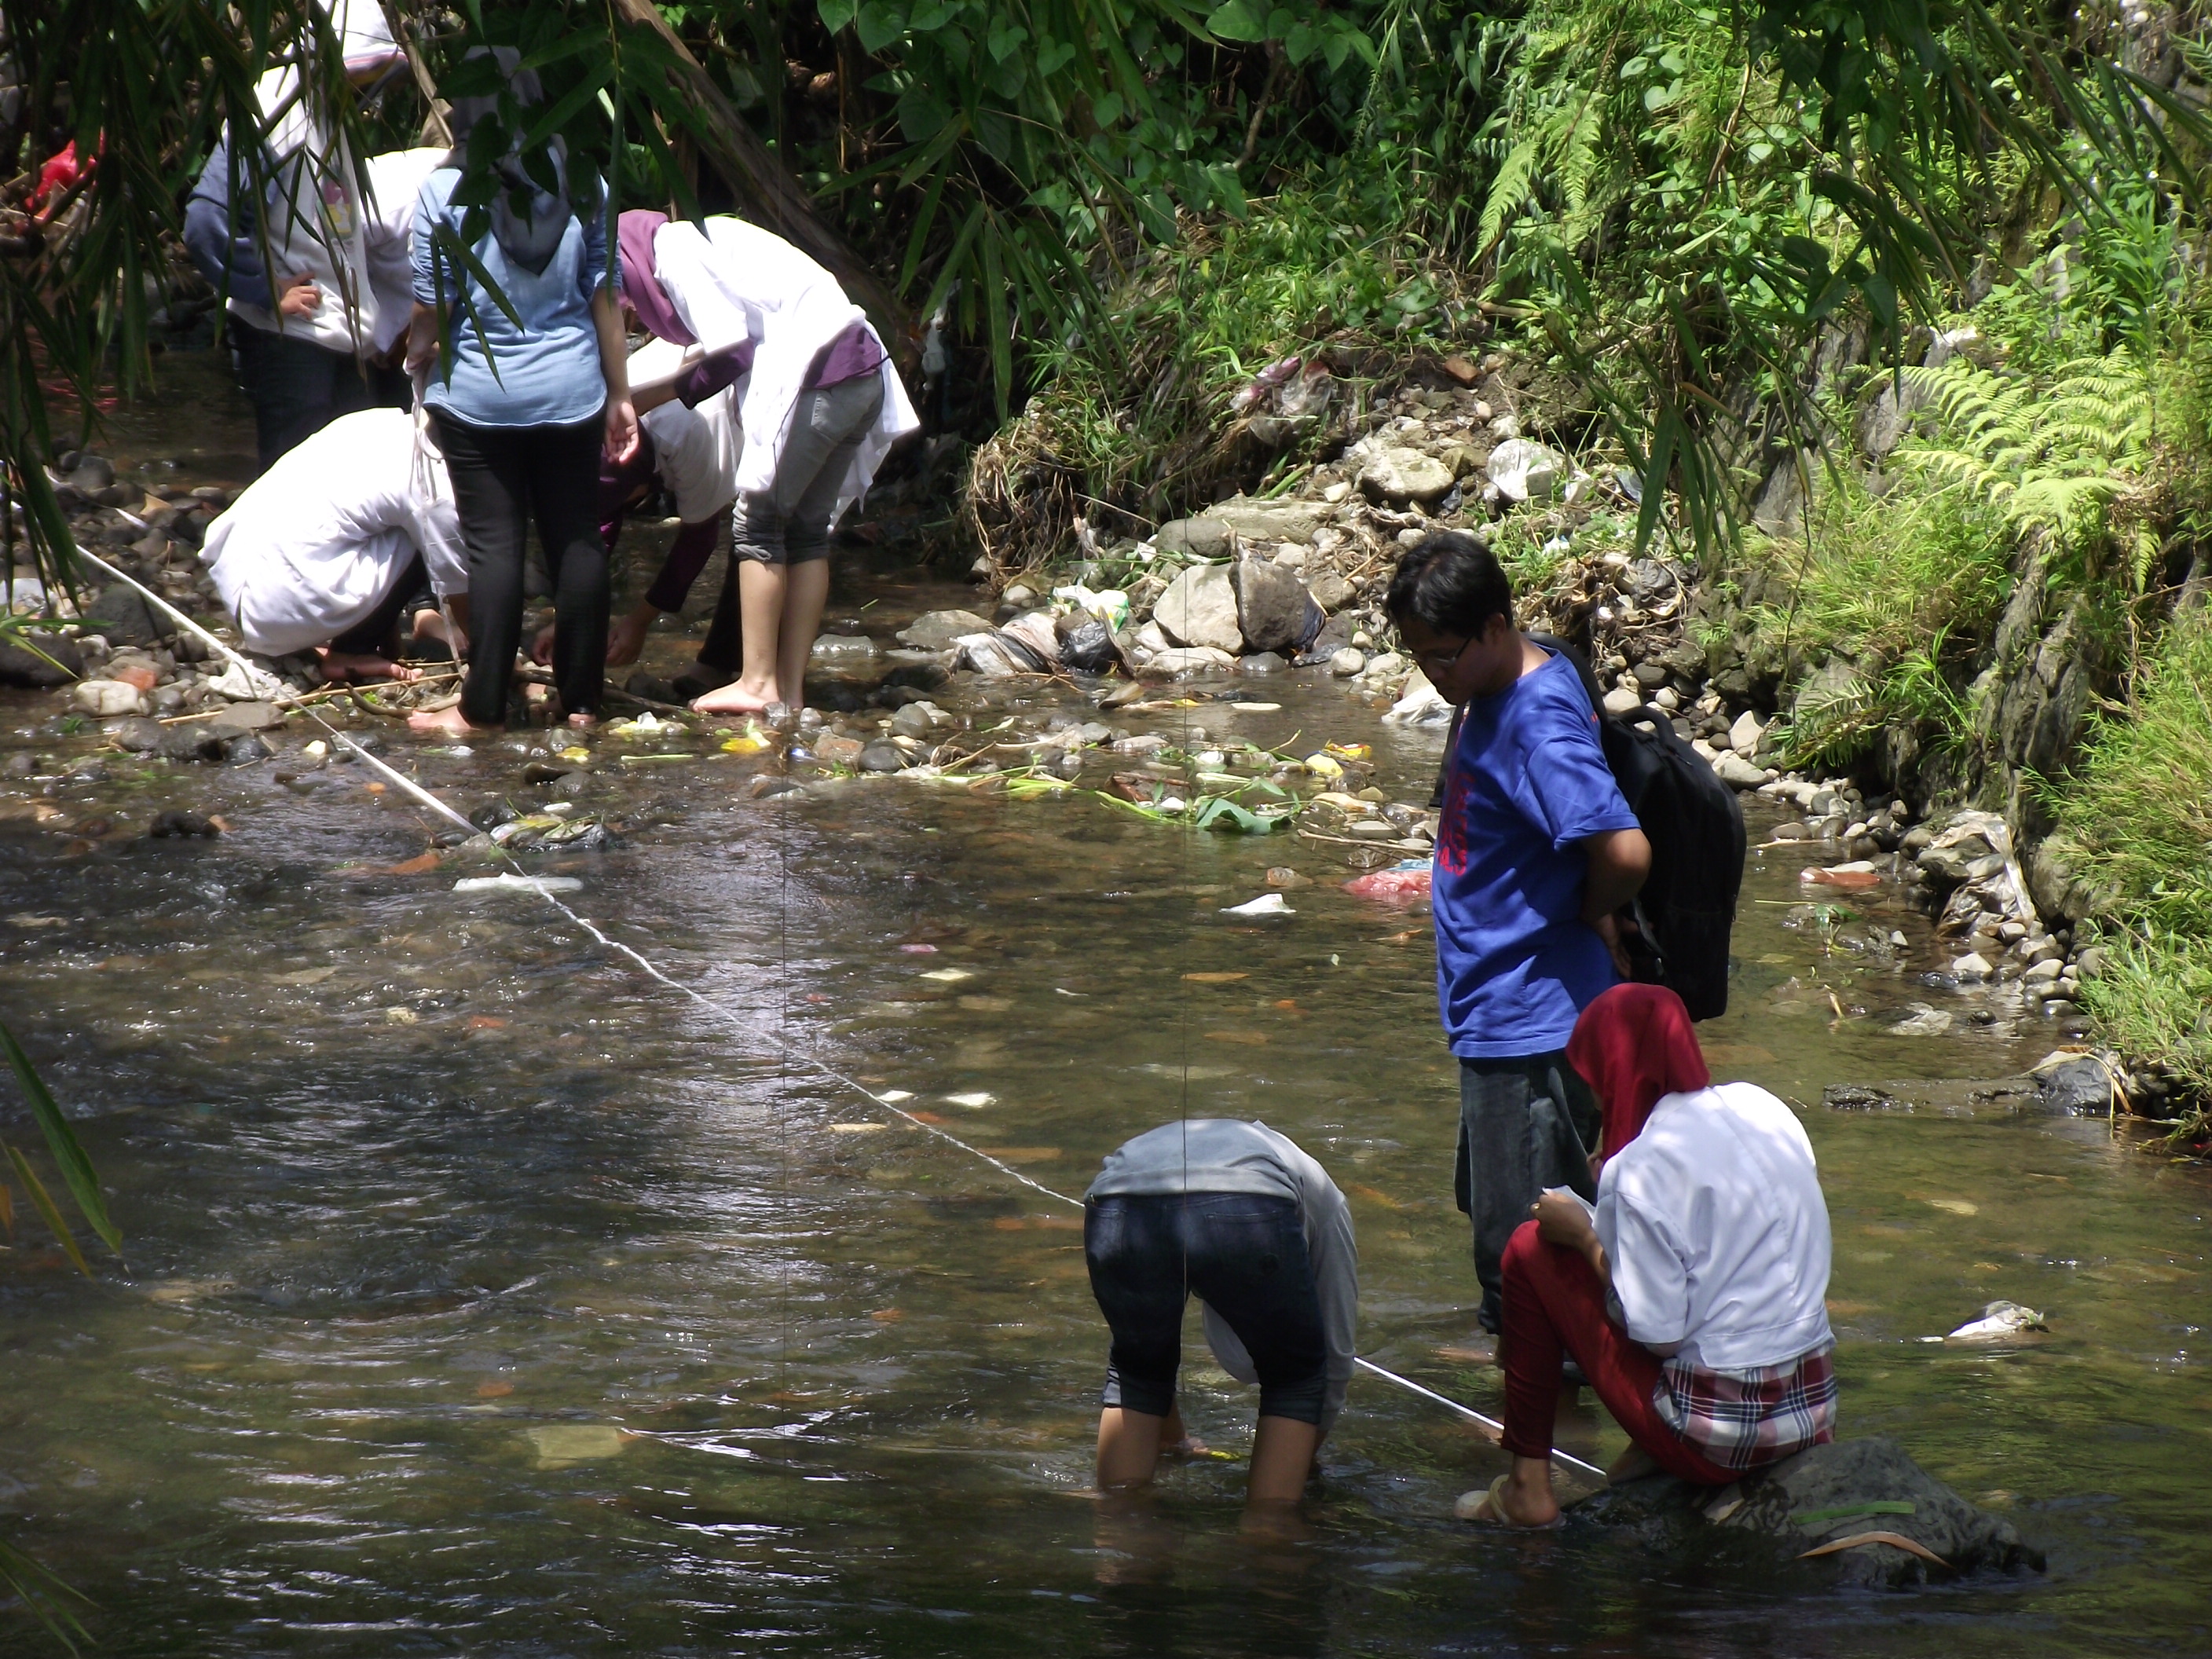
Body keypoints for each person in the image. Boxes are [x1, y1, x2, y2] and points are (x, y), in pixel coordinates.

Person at [1385, 532, 1653, 1343]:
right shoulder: (1503, 679)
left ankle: (1549, 1419)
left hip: (1532, 1020)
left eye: (1443, 655)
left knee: (1526, 1260)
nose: (1433, 675)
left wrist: (1586, 909)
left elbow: (1624, 852)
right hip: (1499, 1007)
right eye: (1418, 656)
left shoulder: (1537, 724)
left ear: (1497, 627)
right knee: (1507, 1227)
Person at [1468, 984, 1838, 1525]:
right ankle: (1646, 1452)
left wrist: (1586, 1236)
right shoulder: (1764, 1108)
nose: (1595, 1101)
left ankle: (1527, 1487)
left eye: (1594, 1081)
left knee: (1529, 1246)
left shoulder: (1639, 1169)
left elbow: (1657, 1333)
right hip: (1814, 1411)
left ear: (1614, 1072)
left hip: (1721, 1442)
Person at [403, 50, 637, 737]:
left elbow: (433, 306)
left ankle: (482, 710)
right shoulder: (586, 183)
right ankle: (583, 702)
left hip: (479, 396)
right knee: (577, 538)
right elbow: (606, 300)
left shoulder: (445, 191)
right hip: (573, 391)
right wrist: (620, 394)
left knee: (495, 547)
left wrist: (417, 349)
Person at [614, 208, 918, 715]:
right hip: (859, 374)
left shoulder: (675, 253)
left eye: (623, 297)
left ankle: (757, 683)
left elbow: (730, 352)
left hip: (821, 374)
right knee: (805, 533)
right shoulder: (704, 239)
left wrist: (639, 399)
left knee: (757, 525)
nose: (632, 311)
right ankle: (789, 695)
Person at [182, 1, 412, 470]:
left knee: (348, 479)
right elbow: (207, 220)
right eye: (363, 75)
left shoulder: (328, 115)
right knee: (296, 479)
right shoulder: (279, 108)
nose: (367, 91)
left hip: (338, 334)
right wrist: (265, 288)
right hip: (293, 339)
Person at [1084, 1119, 1357, 1512]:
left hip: (1114, 1198)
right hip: (1245, 1201)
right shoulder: (1330, 1204)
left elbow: (1149, 1357)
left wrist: (1173, 1442)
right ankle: (1267, 1533)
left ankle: (1119, 1530)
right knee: (1294, 1380)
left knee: (1135, 1372)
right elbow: (1334, 1359)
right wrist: (1300, 1457)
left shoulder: (1267, 1159)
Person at [529, 335, 750, 681]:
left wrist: (640, 620)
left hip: (778, 407)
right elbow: (598, 531)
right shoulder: (602, 423)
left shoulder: (694, 435)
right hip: (671, 405)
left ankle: (741, 671)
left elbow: (700, 538)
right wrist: (566, 617)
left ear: (642, 490)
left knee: (759, 538)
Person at [198, 406, 463, 681]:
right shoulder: (429, 476)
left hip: (239, 580)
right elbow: (459, 584)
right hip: (277, 610)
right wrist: (486, 661)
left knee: (394, 518)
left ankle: (360, 636)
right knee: (432, 527)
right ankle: (352, 652)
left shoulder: (376, 420)